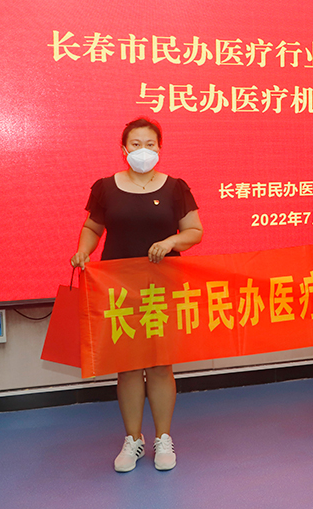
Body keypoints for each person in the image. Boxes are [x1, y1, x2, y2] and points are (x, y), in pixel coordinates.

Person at [70, 117, 203, 472]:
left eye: (150, 144)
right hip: (118, 289)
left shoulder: (175, 188)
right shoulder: (104, 187)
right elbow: (92, 227)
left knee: (160, 364)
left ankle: (163, 438)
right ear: (123, 148)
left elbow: (194, 231)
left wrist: (172, 242)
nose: (143, 150)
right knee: (127, 366)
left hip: (162, 287)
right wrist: (83, 250)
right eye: (135, 144)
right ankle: (133, 440)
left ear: (160, 148)